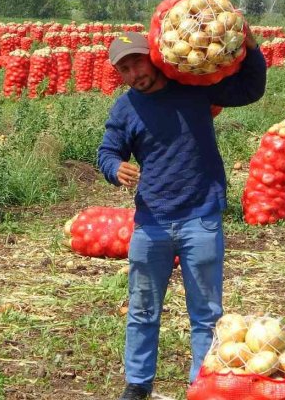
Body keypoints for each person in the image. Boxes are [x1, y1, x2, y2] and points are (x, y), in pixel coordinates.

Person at [97, 27, 266, 400]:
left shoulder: (193, 88)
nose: (133, 74)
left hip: (200, 216)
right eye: (124, 69)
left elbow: (250, 90)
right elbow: (108, 150)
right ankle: (137, 384)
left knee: (206, 314)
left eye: (137, 62)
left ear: (154, 56)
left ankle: (200, 384)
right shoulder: (126, 108)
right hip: (151, 222)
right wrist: (114, 168)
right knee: (142, 309)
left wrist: (251, 47)